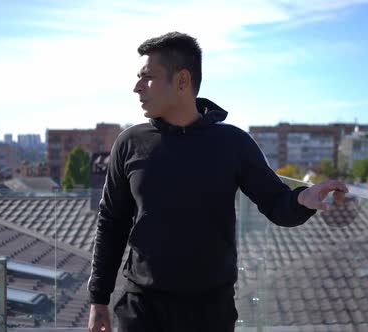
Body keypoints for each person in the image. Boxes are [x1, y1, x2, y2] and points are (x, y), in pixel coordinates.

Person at [87, 31, 348, 332]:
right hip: (142, 309)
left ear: (182, 81)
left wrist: (303, 198)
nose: (136, 87)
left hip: (210, 312)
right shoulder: (129, 143)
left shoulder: (233, 143)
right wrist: (98, 300)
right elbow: (112, 222)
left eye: (147, 77)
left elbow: (276, 202)